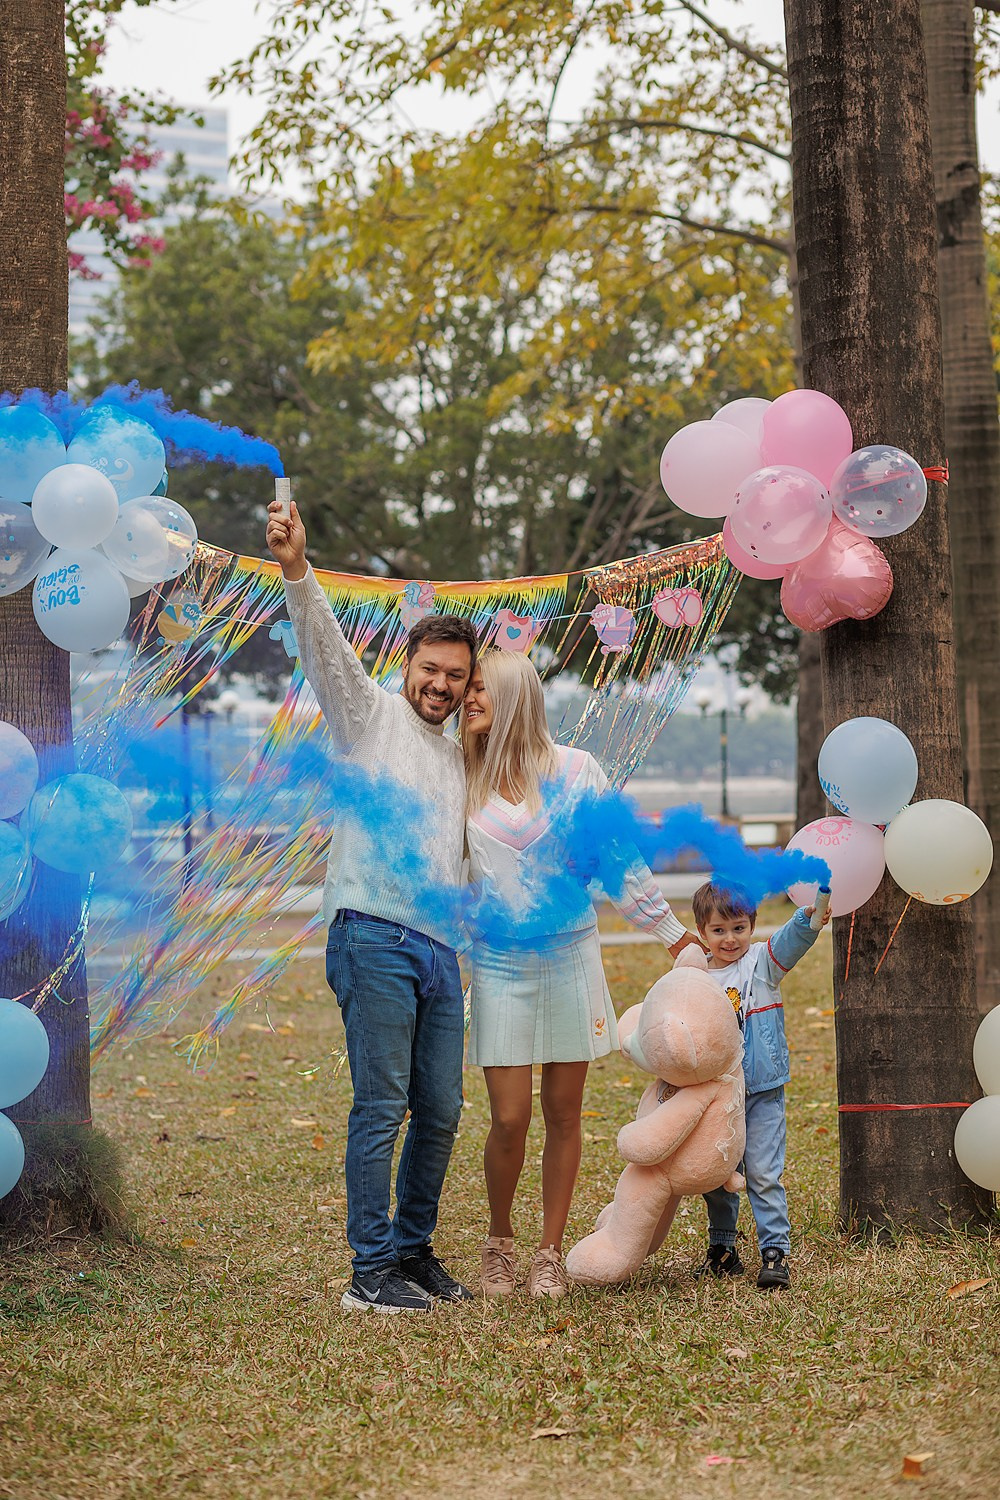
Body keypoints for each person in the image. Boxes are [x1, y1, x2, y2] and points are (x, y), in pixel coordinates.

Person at [266, 499, 479, 1314]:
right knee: (383, 1103)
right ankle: (368, 1274)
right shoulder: (369, 718)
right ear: (408, 665)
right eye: (432, 669)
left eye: (456, 676)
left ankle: (414, 1253)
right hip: (372, 936)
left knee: (441, 1108)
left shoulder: (463, 756)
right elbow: (326, 654)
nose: (441, 685)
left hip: (439, 950)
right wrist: (296, 568)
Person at [460, 649, 700, 1300]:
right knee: (509, 1118)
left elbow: (620, 865)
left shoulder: (576, 773)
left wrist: (675, 936)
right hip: (499, 964)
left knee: (565, 1112)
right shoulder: (459, 776)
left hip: (570, 958)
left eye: (480, 687)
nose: (467, 697)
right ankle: (499, 1241)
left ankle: (547, 1252)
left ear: (514, 696)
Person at [691, 880, 830, 1291]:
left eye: (738, 927)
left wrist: (810, 913)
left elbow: (793, 939)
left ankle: (775, 1251)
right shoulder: (695, 976)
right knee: (717, 1174)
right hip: (716, 1095)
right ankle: (723, 1249)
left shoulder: (761, 964)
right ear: (703, 932)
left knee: (763, 1173)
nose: (729, 939)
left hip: (762, 1089)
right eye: (718, 930)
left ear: (751, 925)